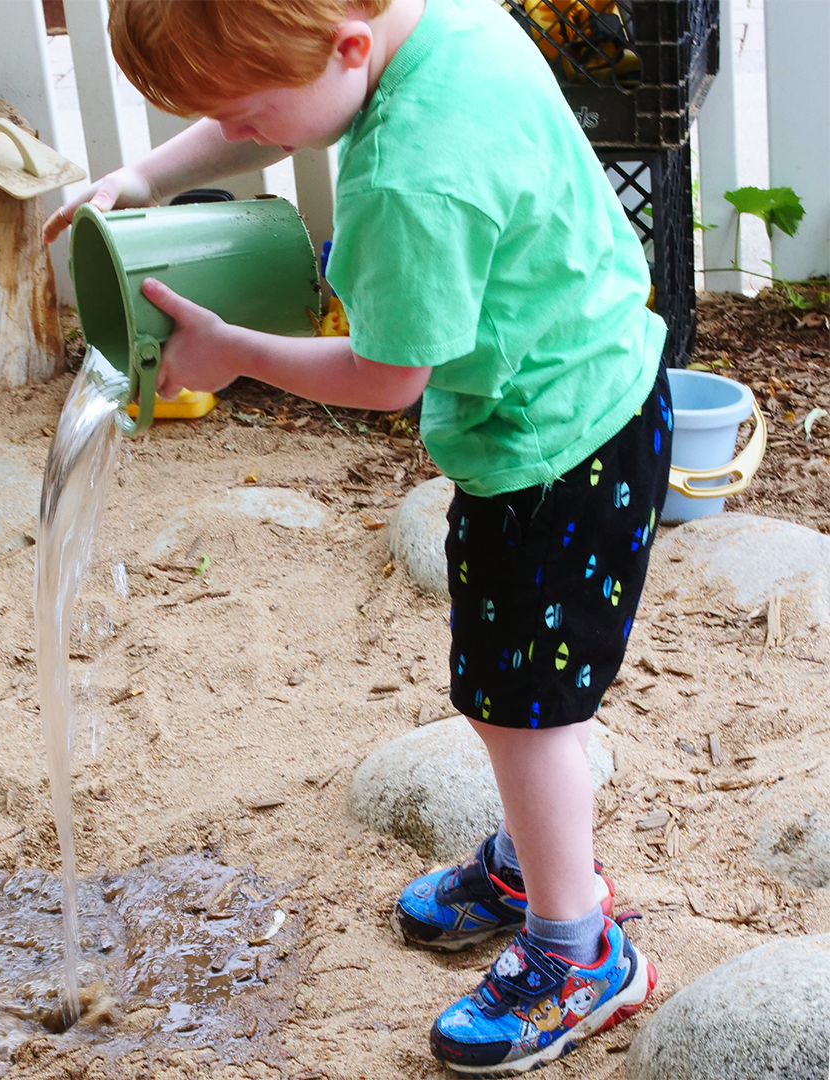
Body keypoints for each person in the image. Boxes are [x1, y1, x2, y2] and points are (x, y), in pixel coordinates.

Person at [44, 0, 673, 1071]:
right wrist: (145, 180)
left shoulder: (407, 180)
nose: (239, 138)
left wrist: (237, 352)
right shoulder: (436, 23)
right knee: (515, 696)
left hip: (553, 454)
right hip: (599, 381)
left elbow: (389, 376)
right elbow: (261, 85)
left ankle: (579, 951)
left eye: (247, 117)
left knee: (526, 716)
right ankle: (532, 865)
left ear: (342, 50)